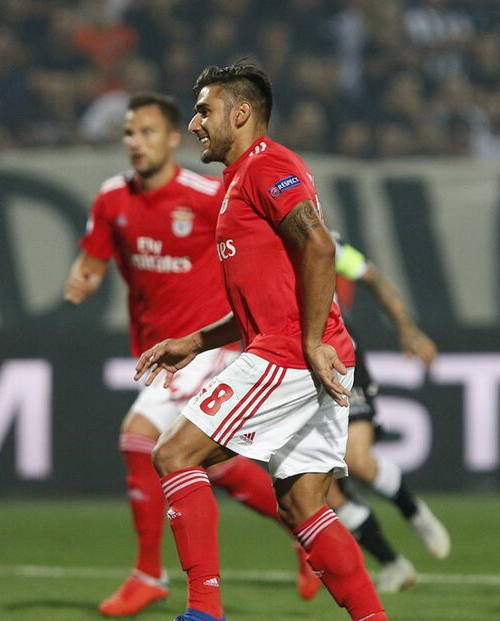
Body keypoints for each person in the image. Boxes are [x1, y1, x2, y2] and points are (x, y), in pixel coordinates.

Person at [134, 62, 387, 621]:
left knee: (173, 453)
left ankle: (204, 612)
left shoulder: (268, 165)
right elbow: (270, 294)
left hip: (291, 354)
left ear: (241, 113)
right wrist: (196, 341)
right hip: (312, 353)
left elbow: (319, 247)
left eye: (204, 110)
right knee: (302, 505)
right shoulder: (239, 178)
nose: (195, 124)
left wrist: (312, 340)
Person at [64, 92, 318, 617]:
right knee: (209, 467)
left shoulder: (207, 193)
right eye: (129, 133)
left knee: (140, 437)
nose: (136, 143)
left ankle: (150, 576)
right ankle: (306, 526)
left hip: (208, 344)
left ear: (172, 138)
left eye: (148, 132)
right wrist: (84, 276)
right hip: (161, 351)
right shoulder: (112, 199)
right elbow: (94, 257)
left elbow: (273, 234)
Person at [325, 234, 451, 592]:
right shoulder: (243, 243)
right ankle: (393, 563)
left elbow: (372, 277)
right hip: (289, 366)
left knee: (357, 461)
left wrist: (407, 329)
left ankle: (413, 510)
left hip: (340, 359)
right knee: (322, 491)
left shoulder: (318, 238)